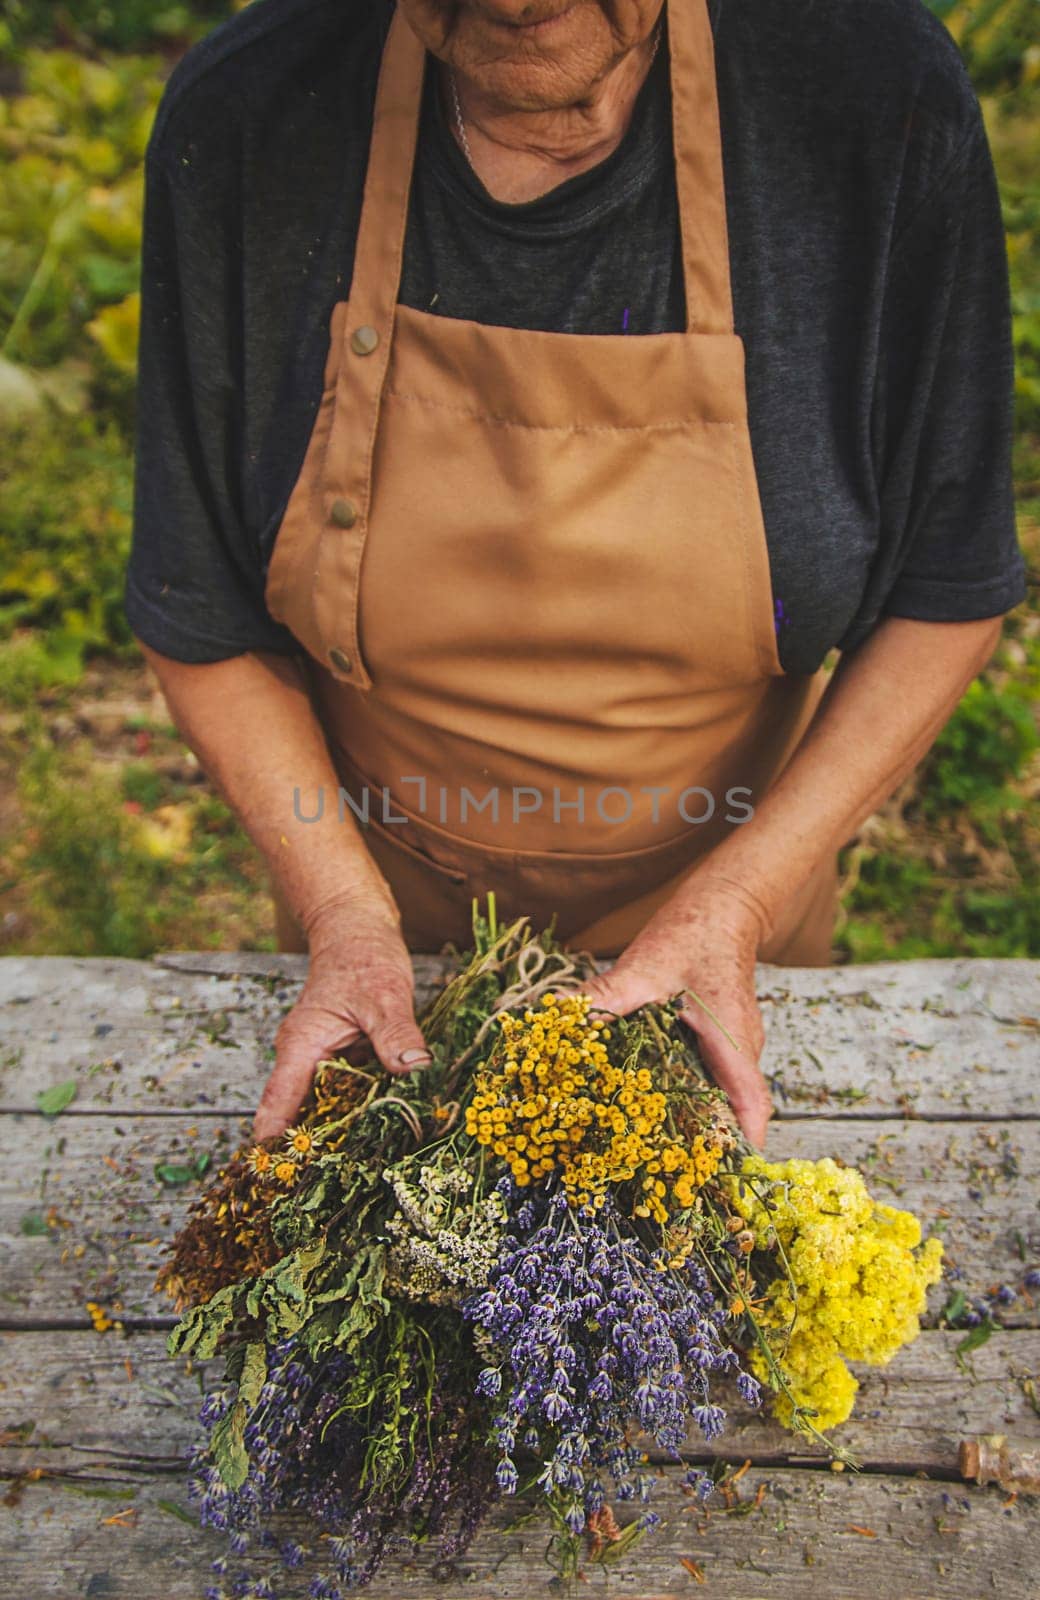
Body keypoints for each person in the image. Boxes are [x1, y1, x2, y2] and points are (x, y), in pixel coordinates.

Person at [125, 0, 1027, 1150]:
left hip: (731, 917)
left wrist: (739, 902)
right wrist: (344, 914)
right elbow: (200, 612)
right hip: (383, 932)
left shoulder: (868, 92)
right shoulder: (247, 115)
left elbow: (943, 591)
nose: (513, 1)